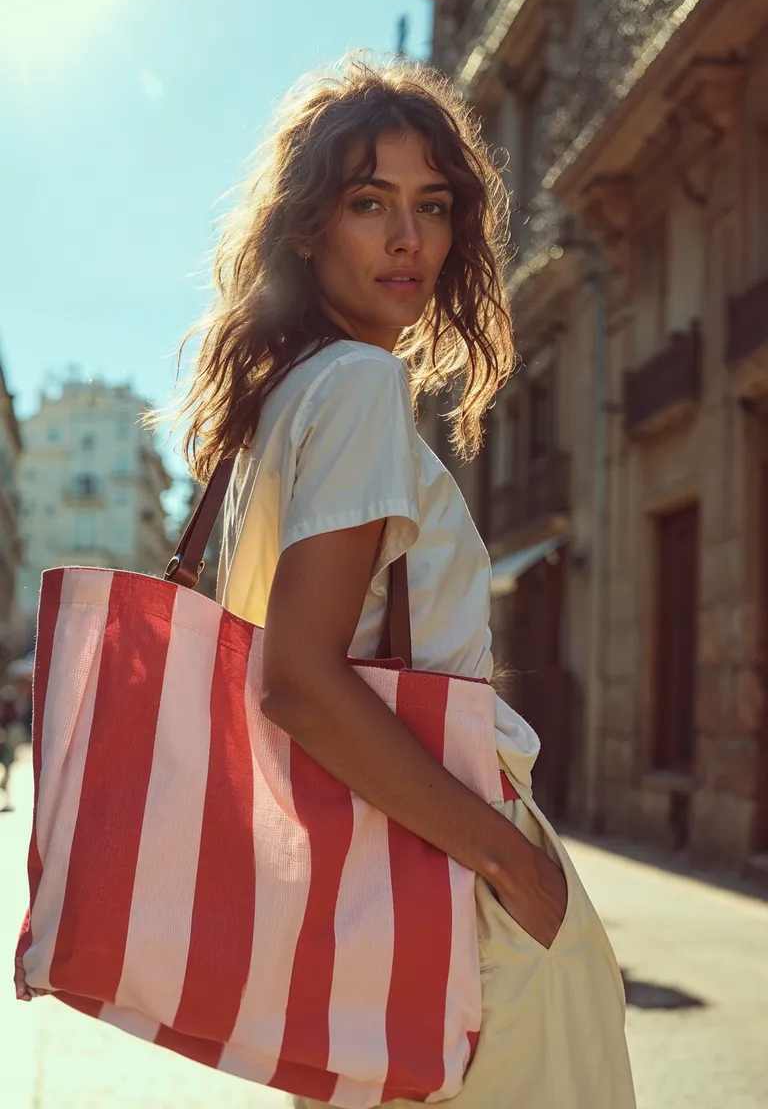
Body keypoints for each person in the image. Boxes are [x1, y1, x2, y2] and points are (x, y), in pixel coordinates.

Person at [170, 58, 636, 1108]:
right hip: (450, 898)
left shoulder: (281, 403)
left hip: (368, 911)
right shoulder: (358, 385)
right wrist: (515, 869)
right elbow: (296, 678)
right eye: (368, 203)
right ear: (304, 226)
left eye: (432, 206)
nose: (406, 239)